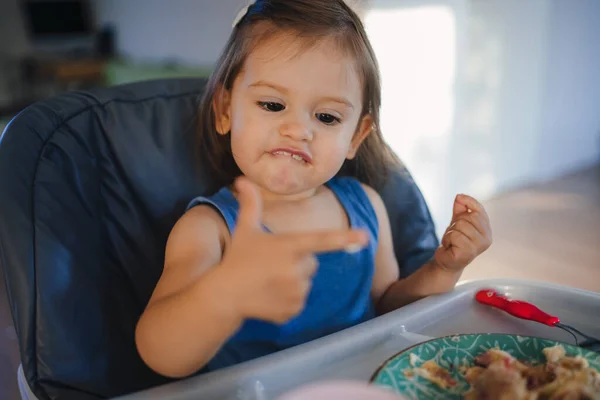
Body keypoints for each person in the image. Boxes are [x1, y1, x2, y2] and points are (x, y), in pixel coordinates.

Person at [135, 0, 492, 379]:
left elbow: (389, 310)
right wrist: (224, 294)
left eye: (326, 117)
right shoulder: (211, 228)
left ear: (356, 136)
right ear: (225, 110)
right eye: (272, 104)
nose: (298, 129)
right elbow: (159, 353)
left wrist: (443, 267)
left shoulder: (366, 206)